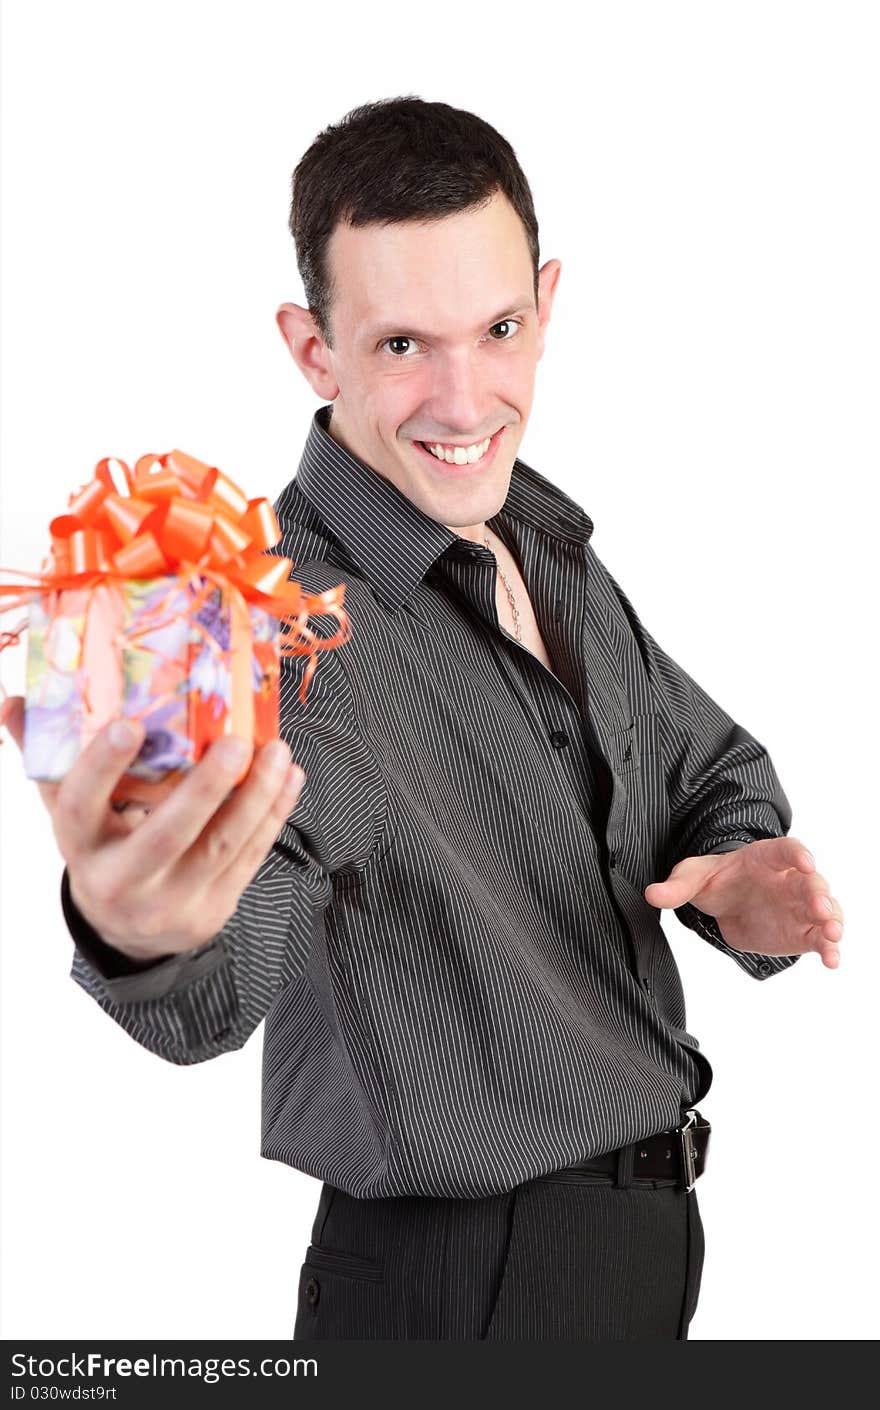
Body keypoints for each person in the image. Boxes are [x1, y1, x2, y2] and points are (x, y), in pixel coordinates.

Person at [1, 95, 844, 1341]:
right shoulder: (266, 633)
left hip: (633, 1256)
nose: (463, 399)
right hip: (465, 1287)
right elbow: (207, 991)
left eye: (496, 330)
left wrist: (736, 885)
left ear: (546, 308)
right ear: (313, 350)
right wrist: (136, 938)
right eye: (402, 345)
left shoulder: (542, 544)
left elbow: (707, 767)